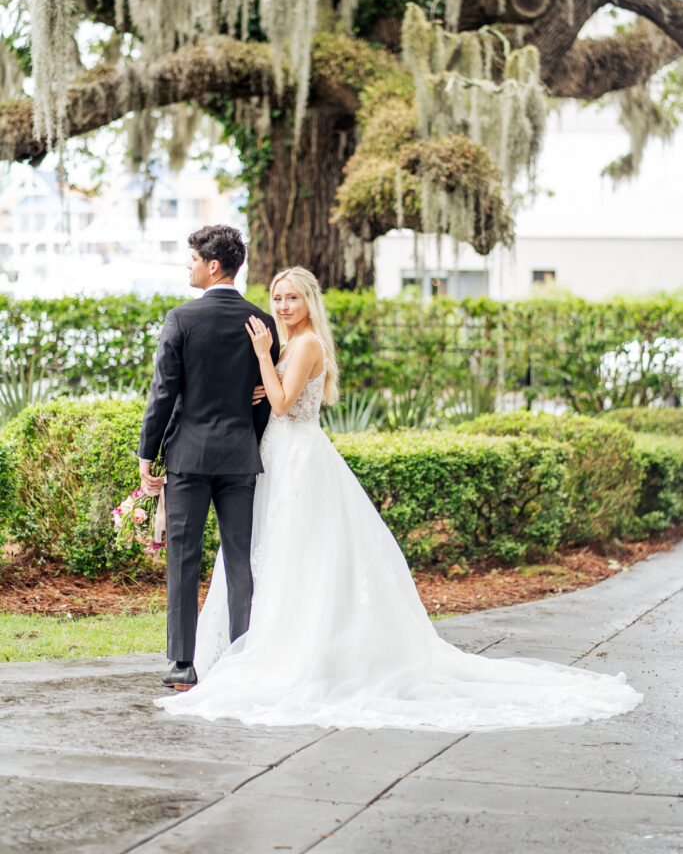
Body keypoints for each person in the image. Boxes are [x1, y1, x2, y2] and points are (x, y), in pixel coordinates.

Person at [156, 266, 641, 731]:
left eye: (292, 297)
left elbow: (283, 405)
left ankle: (289, 650)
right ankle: (252, 643)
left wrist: (264, 361)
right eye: (278, 297)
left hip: (297, 457)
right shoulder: (291, 343)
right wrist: (266, 381)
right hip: (276, 457)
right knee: (271, 554)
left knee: (293, 553)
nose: (282, 305)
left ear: (309, 302)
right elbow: (278, 396)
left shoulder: (304, 344)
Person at [138, 225, 278, 692]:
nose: (189, 266)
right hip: (240, 458)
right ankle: (244, 659)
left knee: (183, 558)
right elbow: (263, 398)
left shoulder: (181, 319)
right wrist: (249, 441)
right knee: (240, 559)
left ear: (213, 265)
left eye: (193, 259)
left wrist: (148, 454)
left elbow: (163, 394)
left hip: (188, 458)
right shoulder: (262, 322)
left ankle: (182, 664)